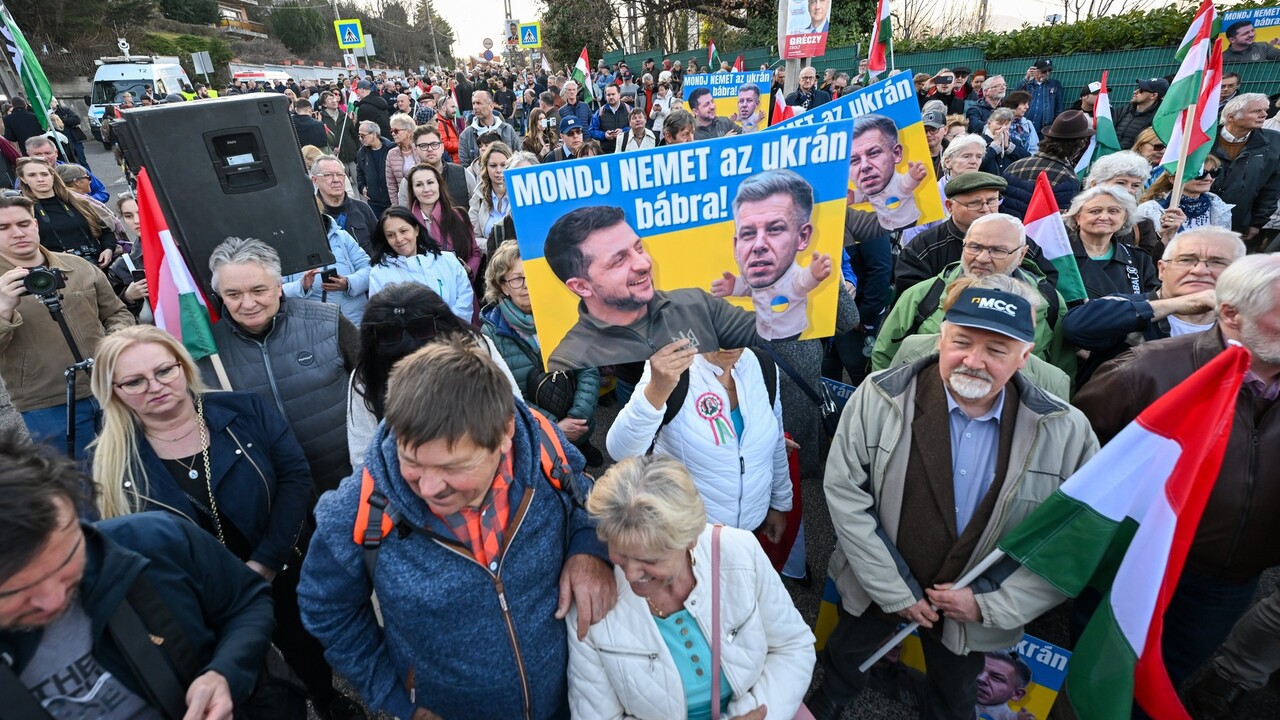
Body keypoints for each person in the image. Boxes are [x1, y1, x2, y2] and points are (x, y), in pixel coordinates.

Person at [807, 284, 1099, 720]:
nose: (974, 360)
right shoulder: (879, 394)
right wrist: (894, 590)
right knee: (845, 661)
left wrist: (986, 604)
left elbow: (1071, 543)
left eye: (996, 350)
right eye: (961, 342)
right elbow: (846, 493)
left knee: (955, 695)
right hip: (875, 586)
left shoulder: (1067, 431)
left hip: (972, 611)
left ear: (1025, 356)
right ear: (941, 339)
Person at [298, 336, 616, 720]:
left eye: (453, 467)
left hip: (570, 699)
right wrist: (394, 695)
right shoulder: (355, 511)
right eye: (411, 461)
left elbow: (586, 494)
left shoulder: (544, 444)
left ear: (504, 436)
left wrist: (589, 549)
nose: (428, 487)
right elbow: (325, 608)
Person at [87, 326, 365, 719]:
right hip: (197, 598)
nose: (155, 386)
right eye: (134, 381)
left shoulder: (244, 410)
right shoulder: (108, 460)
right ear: (113, 390)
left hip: (279, 568)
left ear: (183, 366)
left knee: (304, 646)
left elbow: (294, 477)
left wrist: (266, 562)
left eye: (164, 371)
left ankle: (326, 698)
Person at [1073, 254, 1280, 691]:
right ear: (1231, 314)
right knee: (1095, 678)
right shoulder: (1144, 370)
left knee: (1166, 681)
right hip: (1127, 564)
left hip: (1226, 584)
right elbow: (1077, 464)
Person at [0, 432, 277, 719]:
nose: (54, 600)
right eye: (15, 591)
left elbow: (246, 601)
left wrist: (224, 673)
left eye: (67, 560)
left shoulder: (157, 540)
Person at [566, 454, 815, 718]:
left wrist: (758, 714)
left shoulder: (740, 552)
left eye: (650, 559)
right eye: (619, 553)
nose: (630, 573)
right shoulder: (591, 596)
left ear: (691, 539)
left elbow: (793, 645)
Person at [205, 236, 358, 494]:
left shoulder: (329, 322)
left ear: (278, 286)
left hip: (350, 483)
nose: (248, 303)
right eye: (233, 294)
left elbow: (377, 390)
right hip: (271, 496)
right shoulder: (207, 351)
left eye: (258, 290)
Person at [543, 205, 759, 371]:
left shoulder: (696, 303)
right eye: (619, 260)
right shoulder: (571, 360)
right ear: (581, 286)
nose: (644, 263)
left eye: (639, 248)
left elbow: (771, 336)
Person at [0, 194, 133, 459]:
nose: (17, 233)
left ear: (36, 225)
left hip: (109, 386)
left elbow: (117, 313)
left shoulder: (78, 266)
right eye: (3, 228)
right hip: (48, 404)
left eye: (24, 224)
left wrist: (112, 346)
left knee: (133, 468)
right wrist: (4, 308)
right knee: (78, 485)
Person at [348, 282, 518, 468]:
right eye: (390, 335)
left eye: (422, 329)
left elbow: (513, 408)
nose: (408, 343)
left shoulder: (474, 345)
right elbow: (363, 459)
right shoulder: (367, 374)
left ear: (441, 325)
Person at [875, 213, 1071, 373]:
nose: (983, 258)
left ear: (1021, 254)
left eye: (997, 250)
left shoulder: (1049, 300)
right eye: (975, 247)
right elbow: (884, 356)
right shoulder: (923, 294)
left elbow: (1061, 372)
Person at [1063, 226, 1245, 385]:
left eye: (1217, 262)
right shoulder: (1126, 305)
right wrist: (1177, 304)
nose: (1198, 270)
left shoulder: (1249, 325)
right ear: (1162, 269)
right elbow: (1075, 327)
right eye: (1186, 260)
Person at [482, 241, 601, 463]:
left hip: (577, 420)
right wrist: (553, 427)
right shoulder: (490, 334)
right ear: (502, 286)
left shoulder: (565, 314)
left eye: (532, 275)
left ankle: (583, 446)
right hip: (540, 432)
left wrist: (578, 416)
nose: (527, 285)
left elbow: (588, 369)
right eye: (517, 279)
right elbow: (507, 396)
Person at [710, 169, 833, 341]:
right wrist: (734, 286)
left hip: (794, 337)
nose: (759, 245)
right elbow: (750, 289)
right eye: (748, 233)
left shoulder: (794, 277)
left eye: (775, 229)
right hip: (762, 336)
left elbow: (801, 283)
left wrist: (813, 274)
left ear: (803, 236)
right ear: (736, 245)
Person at [367, 205, 474, 321]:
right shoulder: (379, 273)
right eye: (390, 235)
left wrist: (447, 329)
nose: (399, 239)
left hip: (457, 335)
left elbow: (465, 300)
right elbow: (382, 316)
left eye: (403, 231)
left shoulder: (448, 260)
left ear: (416, 230)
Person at [281, 200, 371, 328]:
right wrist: (301, 286)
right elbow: (275, 290)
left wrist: (348, 283)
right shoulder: (284, 248)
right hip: (312, 330)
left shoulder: (342, 237)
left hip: (354, 324)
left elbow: (369, 270)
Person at [1209, 93, 1280, 248]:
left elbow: (1271, 188)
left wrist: (1257, 223)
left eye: (1265, 110)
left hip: (1240, 225)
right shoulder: (1205, 139)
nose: (1264, 115)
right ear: (1231, 116)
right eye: (1256, 111)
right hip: (1199, 220)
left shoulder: (1273, 142)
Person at [1062, 185, 1160, 299]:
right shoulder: (1061, 257)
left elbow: (1153, 303)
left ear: (1124, 218)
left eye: (1113, 211)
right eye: (1095, 211)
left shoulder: (1139, 258)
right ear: (1077, 217)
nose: (1104, 217)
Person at [16, 158, 116, 266]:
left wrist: (108, 249)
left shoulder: (78, 203)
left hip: (96, 266)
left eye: (44, 174)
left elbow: (106, 232)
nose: (40, 179)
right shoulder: (23, 212)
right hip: (57, 271)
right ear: (23, 179)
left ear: (53, 175)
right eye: (32, 175)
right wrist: (53, 257)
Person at [1000, 109, 1094, 219]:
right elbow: (1059, 223)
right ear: (1079, 145)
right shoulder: (1066, 178)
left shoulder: (1014, 166)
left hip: (1008, 230)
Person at [404, 162, 481, 291]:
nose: (426, 189)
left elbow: (475, 253)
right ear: (412, 190)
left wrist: (469, 269)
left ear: (439, 184)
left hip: (462, 291)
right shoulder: (406, 224)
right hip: (424, 296)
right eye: (419, 185)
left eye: (430, 182)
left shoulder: (459, 216)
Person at [849, 114, 926, 231]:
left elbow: (905, 184)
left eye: (873, 153)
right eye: (854, 160)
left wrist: (913, 177)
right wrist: (852, 197)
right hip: (885, 228)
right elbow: (864, 196)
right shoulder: (868, 186)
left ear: (896, 153)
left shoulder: (898, 182)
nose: (864, 166)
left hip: (909, 224)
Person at [1136, 154, 1233, 243]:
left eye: (1214, 172)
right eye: (1199, 174)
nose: (1209, 178)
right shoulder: (1150, 209)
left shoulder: (1220, 208)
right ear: (1174, 179)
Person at [310, 154, 378, 254]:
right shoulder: (311, 216)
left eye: (339, 174)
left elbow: (380, 243)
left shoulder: (362, 208)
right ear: (315, 180)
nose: (336, 180)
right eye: (328, 175)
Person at [402, 123, 474, 210]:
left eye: (434, 144)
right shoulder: (409, 180)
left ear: (442, 147)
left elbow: (476, 207)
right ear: (415, 150)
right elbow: (406, 214)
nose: (430, 149)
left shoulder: (462, 173)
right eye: (423, 146)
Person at [458, 91, 521, 167]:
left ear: (491, 106)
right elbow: (464, 166)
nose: (475, 107)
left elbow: (518, 158)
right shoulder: (466, 135)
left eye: (478, 103)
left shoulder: (508, 130)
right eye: (473, 103)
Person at [468, 142, 513, 245]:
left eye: (504, 165)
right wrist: (491, 245)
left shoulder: (520, 195)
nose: (499, 170)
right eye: (493, 165)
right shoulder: (478, 196)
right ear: (486, 168)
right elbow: (473, 238)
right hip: (490, 257)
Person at [975, 651, 1033, 720]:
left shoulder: (1005, 715)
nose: (980, 678)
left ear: (1017, 694)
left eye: (997, 678)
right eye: (977, 670)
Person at [1113, 78, 1167, 150]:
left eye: (1141, 90)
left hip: (1135, 159)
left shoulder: (1158, 120)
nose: (1135, 91)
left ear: (1153, 95)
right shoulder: (1122, 111)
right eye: (1137, 88)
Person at [317, 91, 360, 180]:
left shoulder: (344, 116)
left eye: (334, 98)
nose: (334, 100)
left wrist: (357, 149)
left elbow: (354, 135)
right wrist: (332, 149)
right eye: (330, 99)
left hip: (351, 155)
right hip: (336, 158)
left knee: (359, 182)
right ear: (324, 104)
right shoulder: (321, 119)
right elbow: (322, 139)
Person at [355, 121, 392, 218]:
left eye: (363, 136)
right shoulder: (361, 153)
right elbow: (360, 174)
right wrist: (362, 187)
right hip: (374, 203)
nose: (360, 139)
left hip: (392, 201)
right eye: (359, 135)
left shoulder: (391, 149)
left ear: (374, 134)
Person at [1014, 59, 1063, 134]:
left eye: (1049, 70)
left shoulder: (1055, 84)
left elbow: (1059, 106)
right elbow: (1014, 96)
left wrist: (1055, 125)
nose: (1047, 73)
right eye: (1044, 71)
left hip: (1045, 127)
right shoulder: (1028, 84)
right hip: (1026, 125)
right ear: (1035, 71)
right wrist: (1026, 78)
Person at [979, 108, 1030, 176]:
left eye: (1007, 124)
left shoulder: (1015, 142)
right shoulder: (979, 141)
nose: (1003, 127)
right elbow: (978, 164)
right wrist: (994, 147)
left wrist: (1008, 147)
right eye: (999, 124)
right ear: (989, 123)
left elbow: (1027, 160)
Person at [383, 113, 419, 207]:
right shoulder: (391, 154)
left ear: (409, 132)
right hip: (404, 202)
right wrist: (396, 206)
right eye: (391, 131)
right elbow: (391, 184)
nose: (393, 134)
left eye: (396, 131)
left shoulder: (421, 149)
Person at [588, 85, 632, 153]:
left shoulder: (628, 109)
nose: (611, 97)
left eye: (613, 94)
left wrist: (623, 131)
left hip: (627, 151)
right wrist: (604, 135)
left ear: (619, 94)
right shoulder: (600, 112)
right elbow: (592, 131)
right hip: (607, 153)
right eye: (608, 95)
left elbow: (636, 127)